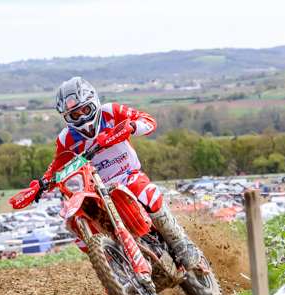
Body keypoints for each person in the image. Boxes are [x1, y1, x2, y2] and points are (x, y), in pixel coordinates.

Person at [31, 77, 204, 273]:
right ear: (66, 117)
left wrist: (131, 127)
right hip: (97, 189)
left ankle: (180, 243)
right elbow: (58, 166)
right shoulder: (66, 138)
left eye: (85, 110)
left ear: (94, 103)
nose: (81, 118)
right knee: (77, 221)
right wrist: (42, 184)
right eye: (74, 115)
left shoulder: (111, 112)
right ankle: (113, 268)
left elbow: (148, 120)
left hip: (127, 174)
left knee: (146, 192)